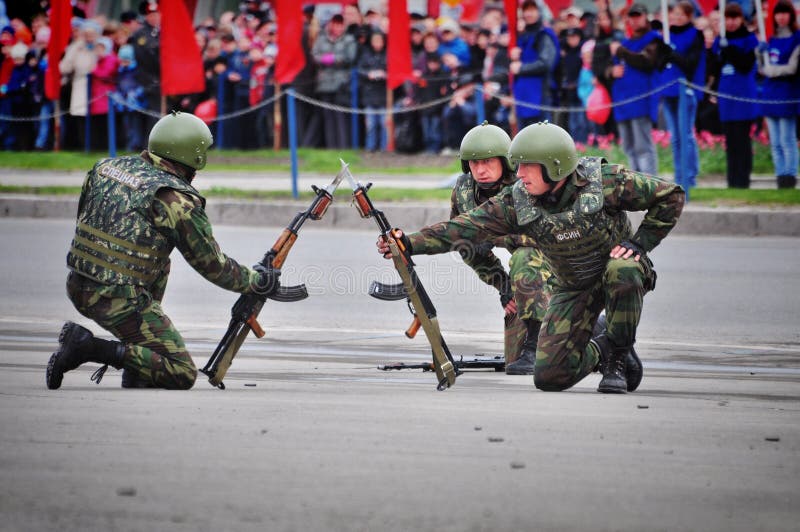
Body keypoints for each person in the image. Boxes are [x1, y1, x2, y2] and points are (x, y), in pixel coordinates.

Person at [377, 122, 685, 393]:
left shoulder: (604, 180)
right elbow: (466, 229)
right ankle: (603, 348)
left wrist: (640, 244)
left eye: (526, 166)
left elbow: (670, 195)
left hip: (613, 272)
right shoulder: (517, 198)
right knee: (549, 377)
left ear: (555, 165)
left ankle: (619, 355)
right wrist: (409, 243)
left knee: (624, 269)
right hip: (571, 286)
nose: (519, 174)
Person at [46, 112, 280, 390]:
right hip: (116, 298)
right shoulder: (175, 199)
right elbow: (212, 266)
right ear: (192, 156)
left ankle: (138, 368)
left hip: (78, 283)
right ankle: (87, 347)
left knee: (159, 257)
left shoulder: (105, 168)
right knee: (181, 372)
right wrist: (257, 280)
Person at [452, 122, 552, 374]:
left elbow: (541, 240)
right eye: (474, 163)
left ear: (504, 161)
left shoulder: (526, 185)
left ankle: (539, 343)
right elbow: (463, 244)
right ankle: (582, 329)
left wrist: (496, 234)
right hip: (525, 274)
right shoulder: (465, 192)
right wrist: (504, 286)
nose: (480, 170)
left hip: (553, 261)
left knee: (523, 258)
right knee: (512, 361)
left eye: (487, 162)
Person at [656, 1, 706, 188]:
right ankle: (680, 175)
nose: (676, 18)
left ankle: (690, 176)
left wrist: (673, 54)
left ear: (688, 15)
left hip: (685, 93)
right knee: (675, 138)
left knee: (686, 135)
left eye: (680, 14)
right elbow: (660, 65)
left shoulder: (696, 35)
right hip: (668, 93)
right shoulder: (667, 36)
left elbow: (690, 64)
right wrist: (663, 51)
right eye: (674, 14)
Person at [610, 3, 662, 176]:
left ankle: (649, 184)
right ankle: (637, 186)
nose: (635, 19)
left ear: (646, 16)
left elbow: (646, 62)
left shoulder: (654, 38)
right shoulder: (624, 43)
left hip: (641, 101)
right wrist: (610, 71)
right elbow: (606, 66)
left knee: (642, 147)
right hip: (622, 102)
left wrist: (621, 52)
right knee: (629, 147)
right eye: (631, 16)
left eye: (638, 15)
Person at [711, 2, 758, 188]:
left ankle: (743, 179)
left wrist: (729, 49)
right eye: (727, 18)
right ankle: (732, 180)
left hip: (743, 97)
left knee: (742, 141)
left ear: (741, 19)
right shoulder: (720, 40)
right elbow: (715, 68)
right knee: (730, 141)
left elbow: (745, 65)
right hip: (727, 99)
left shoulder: (749, 39)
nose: (731, 22)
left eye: (734, 18)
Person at [757, 0, 800, 189]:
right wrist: (759, 54)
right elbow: (760, 68)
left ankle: (790, 175)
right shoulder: (771, 39)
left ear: (791, 15)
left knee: (787, 139)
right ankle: (780, 175)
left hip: (787, 93)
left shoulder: (797, 38)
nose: (781, 17)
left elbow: (792, 68)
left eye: (785, 13)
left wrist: (771, 70)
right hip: (770, 94)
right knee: (774, 141)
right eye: (778, 13)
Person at [510, 0, 559, 127]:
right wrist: (515, 56)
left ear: (539, 12)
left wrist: (521, 68)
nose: (528, 14)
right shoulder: (523, 36)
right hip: (523, 95)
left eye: (532, 10)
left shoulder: (544, 35)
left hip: (540, 94)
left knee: (541, 136)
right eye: (526, 10)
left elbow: (545, 63)